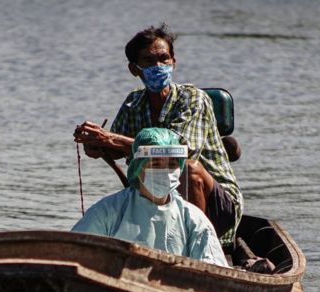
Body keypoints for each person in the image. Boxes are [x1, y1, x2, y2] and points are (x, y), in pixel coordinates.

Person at [73, 24, 243, 250]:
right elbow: (114, 146)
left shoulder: (194, 99)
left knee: (187, 168)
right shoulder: (134, 103)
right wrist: (96, 144)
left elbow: (181, 150)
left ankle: (195, 247)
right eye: (149, 61)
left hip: (217, 206)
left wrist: (109, 139)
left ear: (174, 62)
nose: (158, 66)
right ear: (134, 69)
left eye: (164, 59)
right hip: (155, 199)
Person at [72, 128, 228, 267]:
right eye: (156, 164)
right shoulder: (109, 211)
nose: (165, 171)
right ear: (138, 168)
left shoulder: (193, 219)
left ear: (179, 169)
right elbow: (74, 252)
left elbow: (214, 270)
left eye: (172, 164)